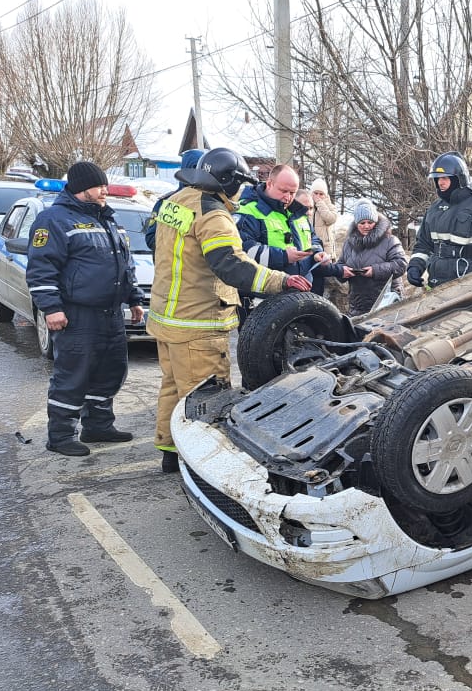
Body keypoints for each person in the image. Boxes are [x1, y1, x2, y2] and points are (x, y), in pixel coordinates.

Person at [147, 147, 312, 473]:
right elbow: (232, 266)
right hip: (197, 323)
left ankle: (170, 452)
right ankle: (203, 469)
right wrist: (279, 280)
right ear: (229, 182)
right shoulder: (214, 216)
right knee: (206, 398)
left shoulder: (175, 202)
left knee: (174, 389)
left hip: (167, 316)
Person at [24, 161, 146, 457]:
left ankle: (98, 425)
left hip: (110, 314)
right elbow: (41, 268)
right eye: (98, 185)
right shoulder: (54, 220)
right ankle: (61, 435)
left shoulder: (107, 219)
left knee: (112, 370)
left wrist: (134, 298)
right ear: (81, 188)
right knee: (73, 375)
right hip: (77, 314)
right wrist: (51, 308)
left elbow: (124, 265)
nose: (105, 190)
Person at [235, 164, 345, 297]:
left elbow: (312, 238)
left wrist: (317, 253)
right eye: (283, 191)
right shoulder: (247, 210)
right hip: (264, 298)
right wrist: (283, 256)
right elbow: (243, 252)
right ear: (269, 184)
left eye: (292, 193)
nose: (288, 197)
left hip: (300, 295)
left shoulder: (296, 210)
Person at [407, 153, 472, 289]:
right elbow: (423, 245)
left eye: (445, 178)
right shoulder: (434, 209)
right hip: (436, 286)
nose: (440, 182)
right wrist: (414, 267)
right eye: (437, 178)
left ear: (459, 179)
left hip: (467, 288)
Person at [338, 199, 408, 316]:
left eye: (370, 222)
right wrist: (342, 271)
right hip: (358, 305)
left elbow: (401, 264)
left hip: (386, 302)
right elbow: (340, 264)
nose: (366, 226)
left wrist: (375, 271)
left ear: (376, 221)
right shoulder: (348, 243)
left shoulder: (390, 240)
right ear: (356, 224)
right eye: (362, 223)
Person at [143, 149, 205, 252]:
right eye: (194, 168)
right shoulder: (167, 203)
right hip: (171, 264)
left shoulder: (209, 202)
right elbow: (151, 239)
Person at [306, 177, 340, 260]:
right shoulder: (307, 206)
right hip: (309, 245)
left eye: (321, 194)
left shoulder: (330, 207)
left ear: (325, 195)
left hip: (326, 248)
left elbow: (331, 219)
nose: (318, 196)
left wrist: (320, 203)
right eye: (316, 193)